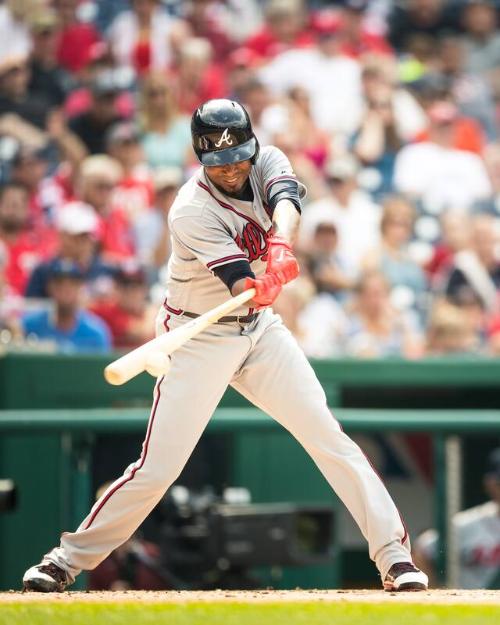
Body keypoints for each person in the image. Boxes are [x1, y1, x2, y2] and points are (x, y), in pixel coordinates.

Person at [22, 99, 428, 593]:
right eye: (220, 162)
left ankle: (394, 557)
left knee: (329, 437)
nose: (233, 169)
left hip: (259, 330)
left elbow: (285, 202)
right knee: (157, 469)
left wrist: (280, 245)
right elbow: (240, 283)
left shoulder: (268, 160)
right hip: (197, 334)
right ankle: (65, 559)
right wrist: (267, 280)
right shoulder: (190, 210)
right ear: (200, 159)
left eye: (238, 156)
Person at [414, 447, 500, 589]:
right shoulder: (468, 523)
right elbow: (422, 551)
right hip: (473, 605)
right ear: (489, 483)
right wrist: (436, 596)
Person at [22, 258, 111, 353]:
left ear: (80, 287)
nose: (65, 289)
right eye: (59, 283)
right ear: (49, 287)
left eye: (72, 284)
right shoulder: (29, 325)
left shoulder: (95, 332)